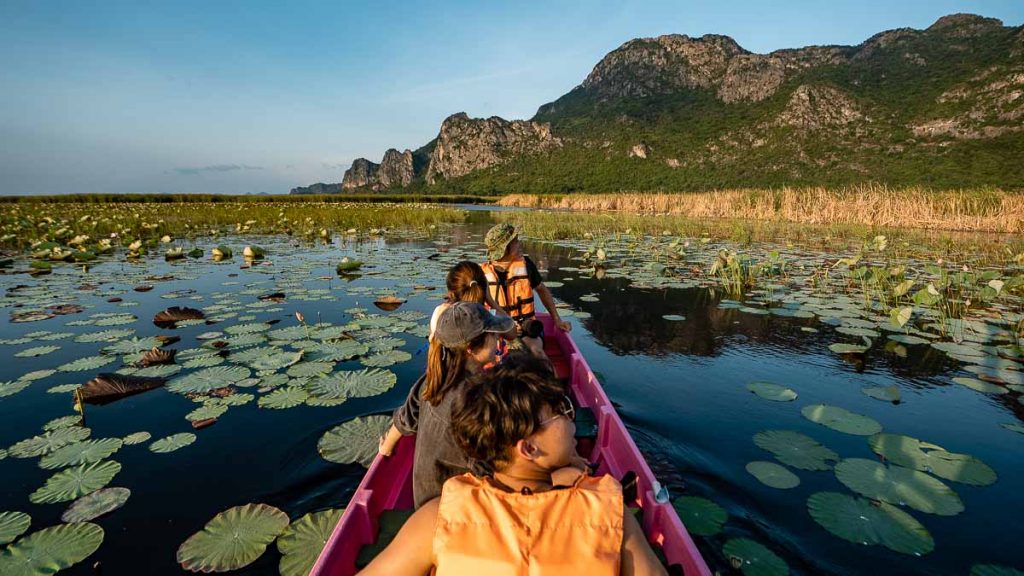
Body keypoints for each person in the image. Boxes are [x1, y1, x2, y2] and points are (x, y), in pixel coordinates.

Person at [359, 356, 668, 576]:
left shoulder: (436, 519)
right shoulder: (609, 512)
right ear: (528, 448)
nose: (572, 422)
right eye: (562, 411)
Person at [378, 301, 515, 508]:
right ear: (470, 348)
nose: (498, 337)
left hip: (424, 501)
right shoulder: (473, 404)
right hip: (449, 512)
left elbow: (404, 420)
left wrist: (386, 449)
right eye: (492, 333)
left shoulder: (432, 380)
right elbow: (489, 473)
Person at [481, 223, 570, 357]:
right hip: (498, 331)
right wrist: (504, 327)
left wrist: (557, 319)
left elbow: (542, 290)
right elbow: (477, 311)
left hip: (528, 329)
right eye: (515, 241)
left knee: (536, 352)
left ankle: (548, 376)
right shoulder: (482, 274)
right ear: (505, 248)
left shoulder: (526, 265)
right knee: (508, 356)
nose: (519, 244)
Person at [428, 260, 513, 341]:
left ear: (451, 293)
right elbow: (512, 333)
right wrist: (490, 300)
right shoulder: (489, 316)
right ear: (484, 288)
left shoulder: (440, 313)